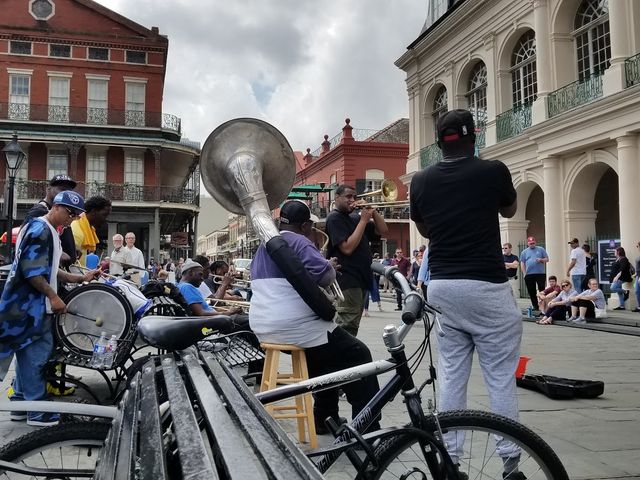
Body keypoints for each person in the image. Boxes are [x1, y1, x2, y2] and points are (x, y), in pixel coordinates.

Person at [409, 109, 523, 478]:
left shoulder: (421, 180)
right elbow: (510, 209)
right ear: (473, 136)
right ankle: (510, 463)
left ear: (438, 142)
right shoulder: (493, 171)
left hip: (443, 286)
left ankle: (450, 459)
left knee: (452, 375)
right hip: (486, 285)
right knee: (500, 376)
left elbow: (425, 230)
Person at [249, 200, 380, 435]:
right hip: (295, 327)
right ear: (305, 225)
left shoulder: (263, 246)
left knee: (322, 357)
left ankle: (324, 417)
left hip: (263, 327)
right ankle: (367, 426)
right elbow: (326, 276)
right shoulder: (299, 241)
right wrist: (329, 265)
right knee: (358, 354)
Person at [0, 191, 100, 426]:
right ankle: (38, 412)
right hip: (30, 306)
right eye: (69, 212)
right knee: (37, 356)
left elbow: (50, 270)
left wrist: (79, 278)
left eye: (76, 215)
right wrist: (53, 297)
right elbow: (31, 271)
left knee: (26, 353)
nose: (71, 218)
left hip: (24, 305)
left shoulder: (47, 229)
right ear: (55, 207)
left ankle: (21, 404)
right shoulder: (41, 230)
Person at [325, 184, 388, 336]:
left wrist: (373, 211)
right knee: (347, 325)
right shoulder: (334, 218)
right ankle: (343, 352)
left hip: (360, 279)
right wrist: (363, 221)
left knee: (353, 325)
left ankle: (346, 350)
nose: (352, 200)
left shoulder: (355, 218)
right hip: (347, 279)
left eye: (354, 197)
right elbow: (347, 248)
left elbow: (383, 230)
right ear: (337, 198)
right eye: (348, 197)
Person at [23, 174, 78, 267]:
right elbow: (27, 243)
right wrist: (58, 253)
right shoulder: (39, 211)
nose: (66, 194)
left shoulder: (63, 211)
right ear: (48, 189)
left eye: (69, 191)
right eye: (62, 189)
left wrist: (72, 249)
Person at [177, 259, 242, 317]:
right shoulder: (187, 287)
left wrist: (228, 309)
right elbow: (201, 313)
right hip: (216, 320)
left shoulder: (185, 286)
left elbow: (209, 306)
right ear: (190, 272)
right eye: (200, 274)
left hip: (217, 317)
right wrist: (229, 312)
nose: (202, 278)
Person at [70, 196, 112, 266]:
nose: (105, 219)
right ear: (93, 211)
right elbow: (71, 264)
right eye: (104, 215)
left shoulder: (85, 228)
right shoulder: (76, 228)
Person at [520, 236, 549, 312]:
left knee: (542, 290)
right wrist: (524, 273)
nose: (532, 244)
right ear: (528, 243)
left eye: (533, 243)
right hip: (529, 274)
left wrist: (541, 259)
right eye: (530, 243)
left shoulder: (541, 249)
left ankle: (543, 305)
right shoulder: (524, 252)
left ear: (535, 242)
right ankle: (535, 306)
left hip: (540, 273)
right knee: (531, 291)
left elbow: (547, 259)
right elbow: (522, 263)